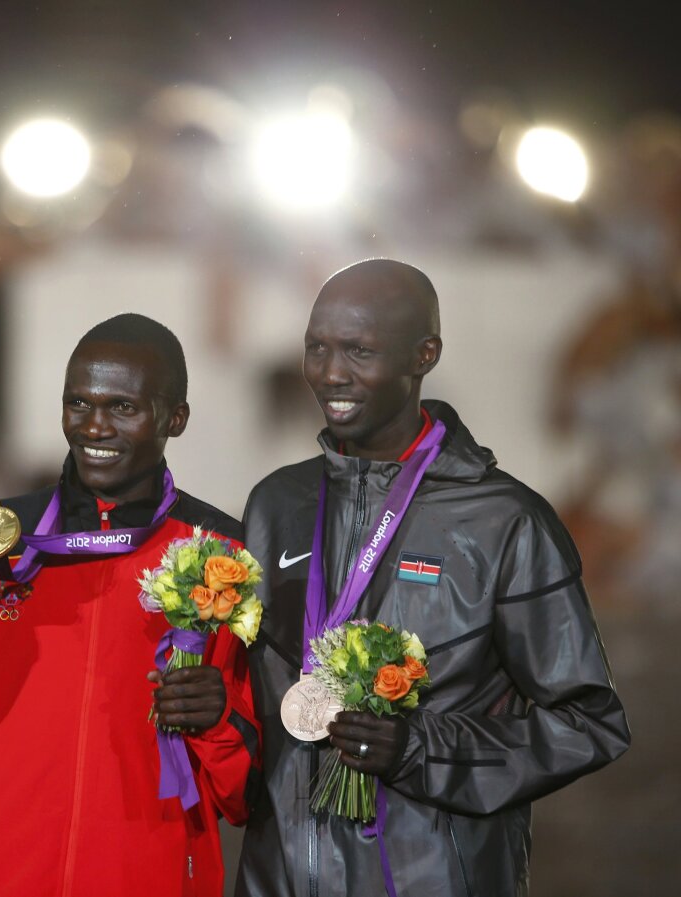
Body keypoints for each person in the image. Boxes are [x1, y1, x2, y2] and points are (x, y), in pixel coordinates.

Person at [235, 259, 630, 897]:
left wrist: (421, 749)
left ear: (424, 355)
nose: (331, 374)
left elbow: (589, 723)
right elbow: (253, 706)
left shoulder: (504, 521)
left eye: (359, 351)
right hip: (280, 875)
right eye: (317, 348)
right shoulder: (275, 505)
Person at [0, 313, 259, 897]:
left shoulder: (223, 556)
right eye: (78, 404)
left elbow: (244, 797)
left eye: (122, 408)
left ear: (175, 418)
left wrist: (217, 721)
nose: (94, 426)